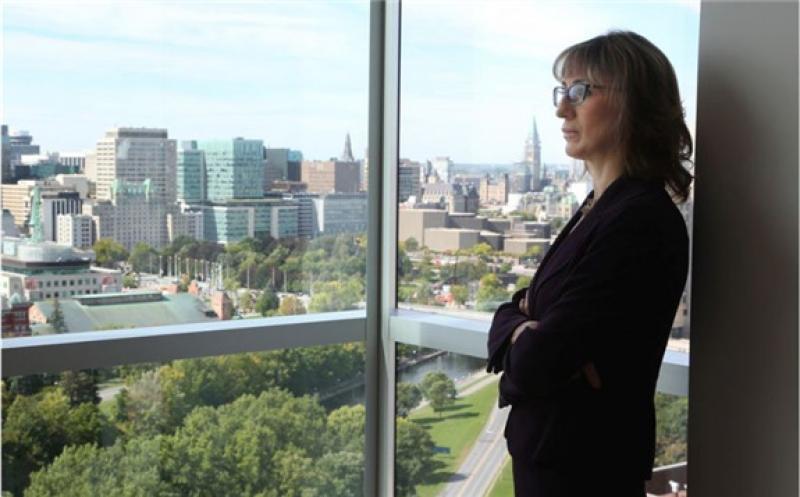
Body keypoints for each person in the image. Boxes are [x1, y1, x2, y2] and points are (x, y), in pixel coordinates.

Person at [486, 30, 692, 497]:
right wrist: (523, 324)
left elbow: (540, 359)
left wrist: (530, 331)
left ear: (634, 104)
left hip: (586, 471)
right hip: (556, 460)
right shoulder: (596, 208)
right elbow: (516, 312)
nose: (562, 108)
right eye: (562, 92)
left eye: (580, 91)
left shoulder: (639, 218)